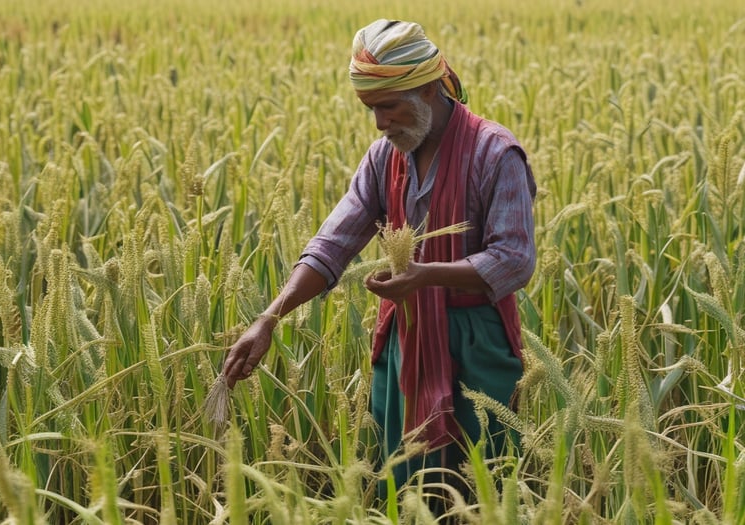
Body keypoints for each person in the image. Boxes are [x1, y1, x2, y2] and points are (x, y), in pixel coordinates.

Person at [223, 18, 536, 506]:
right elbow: (333, 244)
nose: (379, 123)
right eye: (371, 109)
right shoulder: (382, 158)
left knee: (487, 487)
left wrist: (425, 276)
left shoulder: (495, 154)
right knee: (406, 485)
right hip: (405, 344)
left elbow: (514, 259)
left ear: (430, 88)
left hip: (478, 344)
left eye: (389, 107)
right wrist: (270, 316)